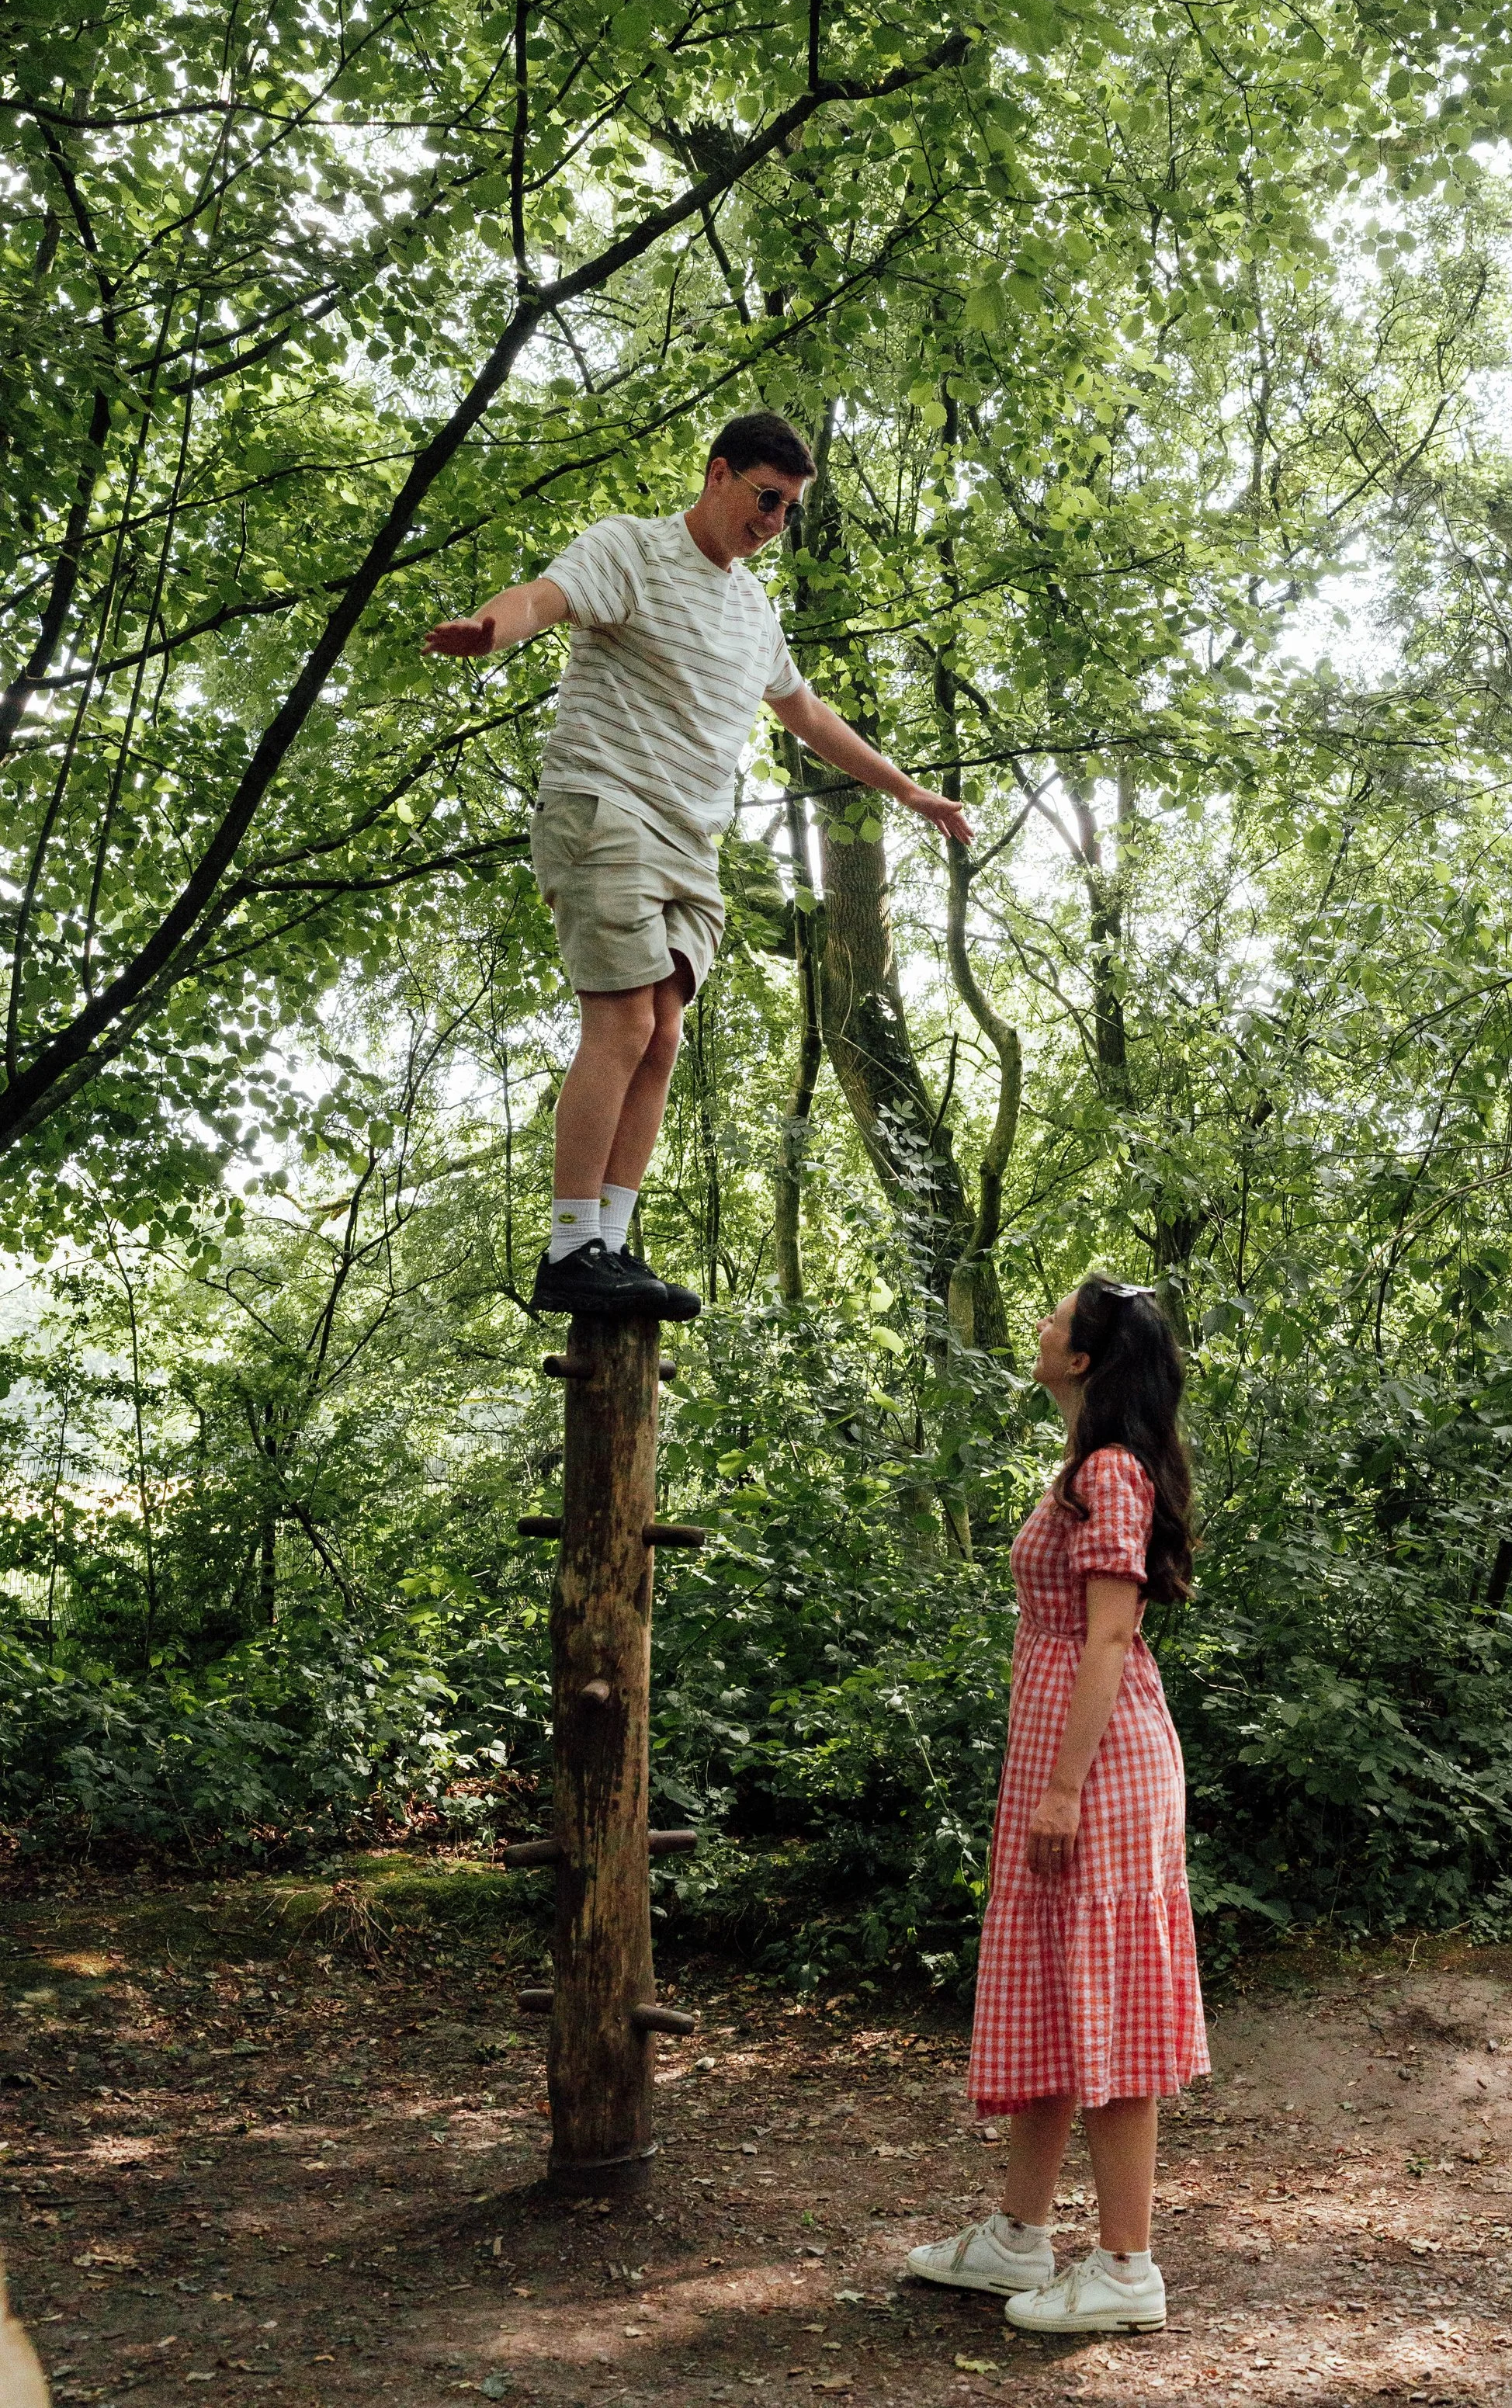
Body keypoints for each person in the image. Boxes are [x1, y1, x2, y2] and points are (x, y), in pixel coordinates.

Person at [425, 412, 972, 1320]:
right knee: (623, 1024)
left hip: (690, 843)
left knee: (664, 1034)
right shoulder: (631, 550)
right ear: (718, 475)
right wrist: (493, 631)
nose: (773, 523)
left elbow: (809, 715)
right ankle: (569, 1251)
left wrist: (909, 791)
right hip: (606, 809)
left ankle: (607, 1244)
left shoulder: (754, 610)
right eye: (766, 499)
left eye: (790, 511)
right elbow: (540, 597)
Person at [907, 1279, 1208, 2334]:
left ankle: (1127, 2266)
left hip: (1103, 1769)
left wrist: (1066, 1789)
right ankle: (1018, 2236)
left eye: (1054, 1318)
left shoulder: (1113, 1474)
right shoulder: (1081, 1468)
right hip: (1059, 1763)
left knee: (1110, 2003)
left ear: (1083, 1359)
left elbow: (1111, 1640)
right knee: (1056, 1989)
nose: (1037, 1324)